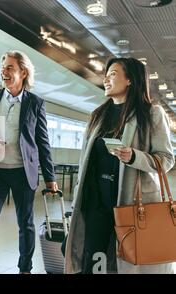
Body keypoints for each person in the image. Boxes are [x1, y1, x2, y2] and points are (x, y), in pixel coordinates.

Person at [64, 57, 175, 274]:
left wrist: (134, 156)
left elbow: (166, 159)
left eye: (113, 74)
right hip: (96, 204)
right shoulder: (98, 115)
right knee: (94, 263)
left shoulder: (151, 113)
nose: (106, 79)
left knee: (127, 263)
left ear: (130, 80)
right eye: (106, 74)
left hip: (131, 205)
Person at [0, 50, 58, 274]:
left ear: (23, 72)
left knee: (25, 224)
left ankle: (25, 269)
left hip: (22, 172)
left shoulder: (35, 103)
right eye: (3, 67)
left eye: (10, 67)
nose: (4, 71)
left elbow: (42, 142)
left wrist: (50, 178)